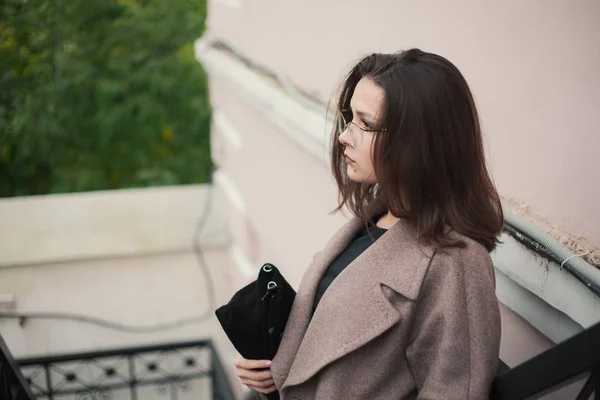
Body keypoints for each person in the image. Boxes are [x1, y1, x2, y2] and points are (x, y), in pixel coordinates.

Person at [235, 48, 503, 399]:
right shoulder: (373, 219)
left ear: (419, 142)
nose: (345, 136)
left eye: (366, 124)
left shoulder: (458, 263)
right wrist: (278, 368)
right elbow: (329, 347)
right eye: (349, 119)